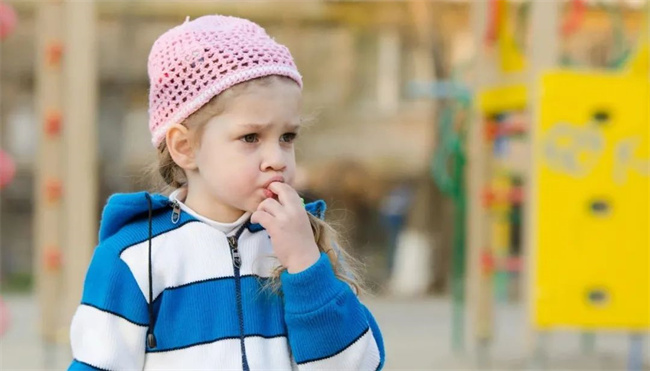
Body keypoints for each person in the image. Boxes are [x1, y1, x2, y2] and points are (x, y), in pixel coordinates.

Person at [68, 15, 385, 370]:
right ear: (185, 147)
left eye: (287, 137)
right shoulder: (132, 258)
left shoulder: (300, 245)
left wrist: (306, 267)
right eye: (251, 137)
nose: (276, 159)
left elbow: (356, 365)